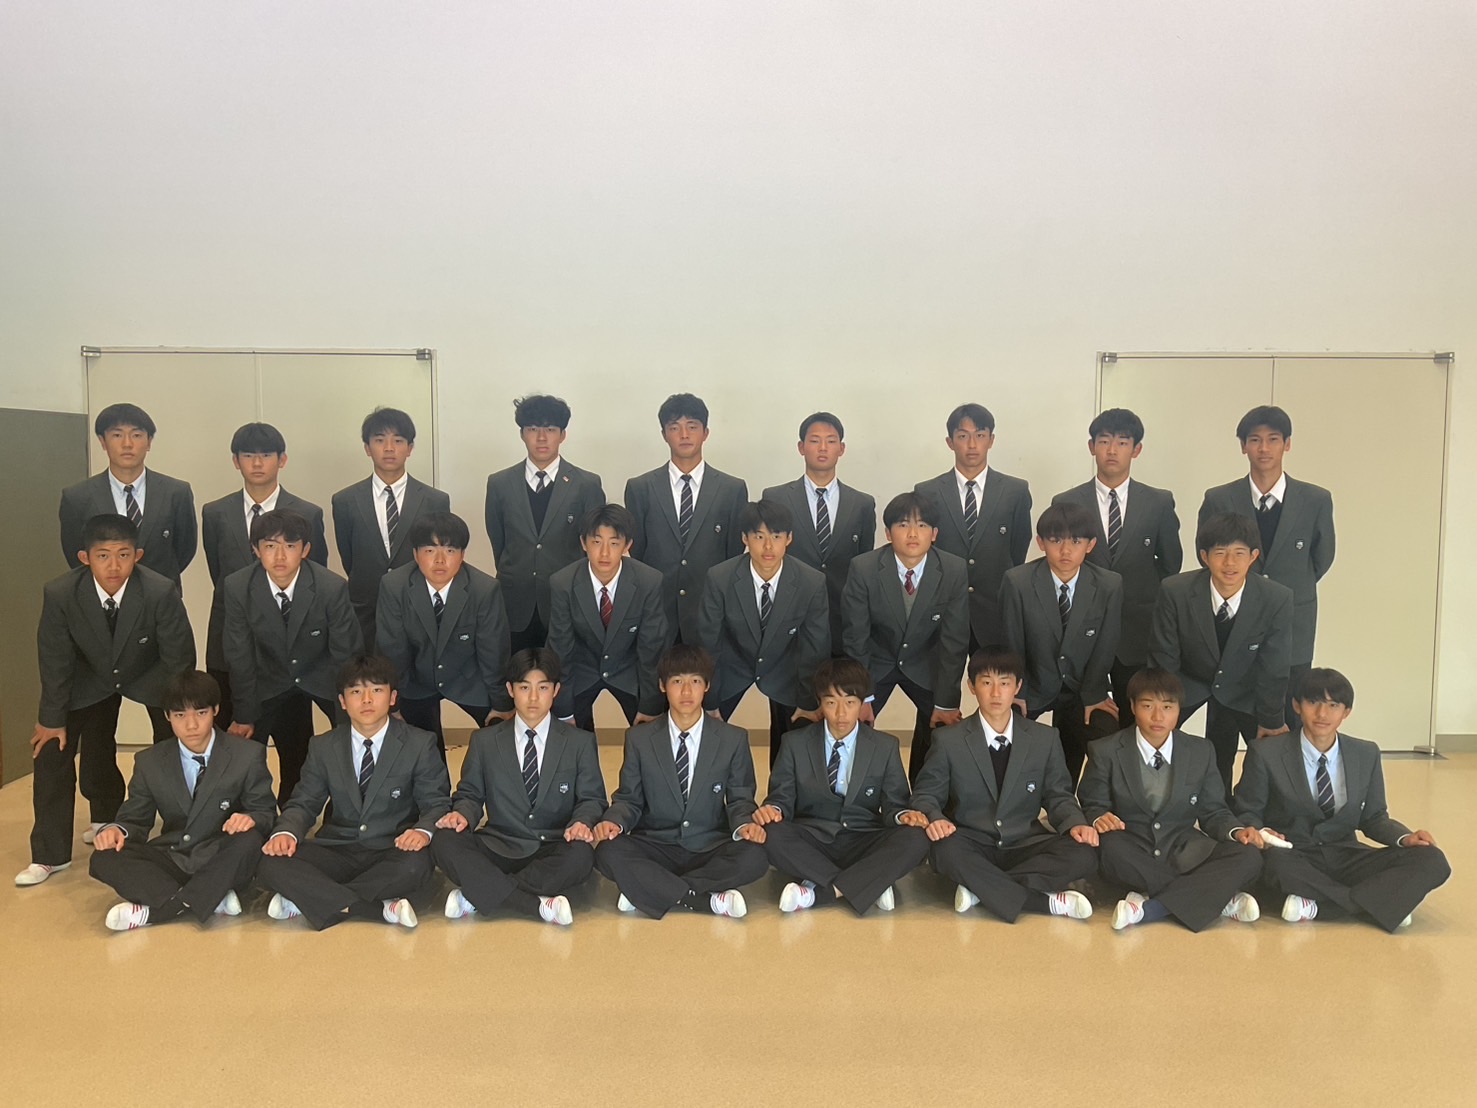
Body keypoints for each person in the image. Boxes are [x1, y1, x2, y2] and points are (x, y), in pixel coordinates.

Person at [17, 514, 195, 886]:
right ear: (85, 558)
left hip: (150, 673)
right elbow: (54, 659)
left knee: (179, 740)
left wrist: (182, 712)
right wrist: (51, 719)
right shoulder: (60, 593)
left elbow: (179, 658)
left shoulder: (160, 590)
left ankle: (184, 833)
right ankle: (51, 854)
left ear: (138, 556)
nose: (114, 566)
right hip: (88, 675)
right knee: (51, 748)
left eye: (123, 555)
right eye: (103, 556)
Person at [1234, 668, 1450, 932]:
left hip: (1346, 854)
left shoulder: (1365, 753)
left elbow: (1374, 818)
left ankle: (1319, 905)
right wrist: (1264, 832)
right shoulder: (1266, 752)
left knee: (1432, 860)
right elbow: (1247, 812)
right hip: (1292, 853)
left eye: (1333, 705)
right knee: (1273, 867)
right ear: (1297, 706)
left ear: (1346, 712)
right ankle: (1383, 904)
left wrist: (1405, 838)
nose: (1322, 714)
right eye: (1313, 702)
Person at [902, 647, 1100, 922]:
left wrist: (1075, 823)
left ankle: (980, 889)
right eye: (986, 683)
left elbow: (1059, 796)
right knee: (942, 849)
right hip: (971, 840)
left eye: (1005, 683)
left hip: (1024, 842)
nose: (996, 693)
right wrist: (935, 817)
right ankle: (1044, 902)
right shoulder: (948, 740)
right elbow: (925, 795)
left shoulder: (1044, 738)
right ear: (972, 687)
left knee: (1084, 853)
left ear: (1017, 687)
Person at [256, 655, 451, 930]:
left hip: (392, 847)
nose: (367, 700)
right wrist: (285, 832)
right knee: (270, 862)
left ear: (393, 697)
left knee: (416, 867)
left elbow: (437, 803)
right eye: (356, 692)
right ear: (343, 701)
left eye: (377, 690)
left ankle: (311, 898)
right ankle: (377, 908)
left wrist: (421, 831)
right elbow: (304, 802)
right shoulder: (323, 746)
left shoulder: (419, 743)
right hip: (337, 847)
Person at [1078, 668, 1264, 932]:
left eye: (1167, 707)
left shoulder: (1200, 750)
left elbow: (1214, 812)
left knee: (1248, 856)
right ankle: (1216, 898)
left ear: (1179, 709)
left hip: (1183, 846)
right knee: (1106, 848)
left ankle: (1152, 907)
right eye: (1147, 706)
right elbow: (1091, 803)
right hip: (1130, 844)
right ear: (1132, 706)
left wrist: (1236, 831)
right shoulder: (1106, 750)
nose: (1158, 716)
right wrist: (1099, 818)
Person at [88, 671, 277, 930]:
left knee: (250, 842)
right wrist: (116, 830)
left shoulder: (247, 754)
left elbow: (266, 811)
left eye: (201, 713)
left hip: (221, 853)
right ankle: (208, 897)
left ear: (216, 710)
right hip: (174, 854)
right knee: (104, 857)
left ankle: (163, 908)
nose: (191, 725)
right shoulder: (150, 761)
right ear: (167, 716)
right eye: (180, 715)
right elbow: (135, 819)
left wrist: (250, 818)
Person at [592, 644, 768, 918]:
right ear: (663, 686)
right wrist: (614, 821)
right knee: (607, 851)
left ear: (706, 686)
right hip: (656, 844)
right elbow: (629, 798)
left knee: (755, 856)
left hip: (709, 843)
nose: (687, 692)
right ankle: (704, 900)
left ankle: (648, 890)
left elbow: (740, 799)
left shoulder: (733, 738)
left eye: (695, 682)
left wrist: (746, 825)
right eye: (677, 682)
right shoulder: (639, 738)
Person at [433, 649, 607, 926]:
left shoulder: (579, 742)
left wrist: (581, 822)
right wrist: (462, 814)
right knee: (444, 840)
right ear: (510, 690)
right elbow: (470, 794)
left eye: (543, 688)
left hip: (553, 844)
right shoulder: (485, 741)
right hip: (499, 843)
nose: (533, 697)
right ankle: (534, 905)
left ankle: (478, 894)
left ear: (556, 691)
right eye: (525, 688)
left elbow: (592, 799)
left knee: (582, 856)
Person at [753, 657, 929, 915]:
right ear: (820, 702)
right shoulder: (794, 743)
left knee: (917, 838)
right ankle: (870, 883)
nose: (841, 713)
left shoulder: (885, 746)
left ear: (862, 703)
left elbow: (895, 803)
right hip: (813, 837)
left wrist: (904, 815)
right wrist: (773, 810)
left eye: (850, 702)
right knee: (769, 832)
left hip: (863, 837)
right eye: (831, 703)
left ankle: (822, 891)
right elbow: (781, 798)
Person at [1198, 406, 1335, 729]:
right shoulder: (1219, 498)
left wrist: (1283, 589)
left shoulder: (1315, 499)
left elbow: (1321, 558)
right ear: (1243, 446)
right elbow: (1207, 553)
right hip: (1233, 620)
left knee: (1288, 719)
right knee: (1224, 723)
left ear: (1287, 444)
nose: (1264, 448)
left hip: (1293, 619)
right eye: (1255, 439)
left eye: (1273, 439)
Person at [223, 509, 362, 804]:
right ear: (255, 549)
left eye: (290, 546)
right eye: (270, 546)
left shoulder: (331, 587)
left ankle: (342, 808)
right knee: (244, 741)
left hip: (323, 674)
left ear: (305, 550)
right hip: (269, 675)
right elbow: (239, 655)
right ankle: (255, 810)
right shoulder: (237, 586)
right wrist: (244, 714)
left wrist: (349, 714)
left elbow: (346, 655)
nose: (280, 556)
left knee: (353, 732)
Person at [1148, 512, 1293, 791]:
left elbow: (1274, 667)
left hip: (1244, 687)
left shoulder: (1276, 598)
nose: (1230, 563)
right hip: (1188, 681)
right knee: (1150, 730)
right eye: (1220, 553)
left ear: (1253, 556)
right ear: (1204, 556)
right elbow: (1164, 658)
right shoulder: (1175, 590)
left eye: (1239, 553)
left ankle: (1242, 804)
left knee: (1274, 752)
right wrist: (1163, 710)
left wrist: (1272, 719)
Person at [1051, 408, 1182, 715]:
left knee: (1136, 718)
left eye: (1122, 442)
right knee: (1074, 720)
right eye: (1104, 441)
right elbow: (1059, 563)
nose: (1112, 450)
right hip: (1081, 626)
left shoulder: (1158, 502)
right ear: (1091, 446)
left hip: (1137, 630)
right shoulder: (1066, 502)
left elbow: (1170, 564)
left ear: (1136, 449)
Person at [200, 422, 328, 726]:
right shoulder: (215, 512)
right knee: (232, 734)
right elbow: (218, 571)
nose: (257, 463)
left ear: (282, 460)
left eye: (266, 455)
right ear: (236, 461)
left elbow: (314, 574)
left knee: (293, 736)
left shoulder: (308, 513)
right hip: (231, 634)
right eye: (248, 455)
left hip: (289, 641)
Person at [840, 491, 969, 781]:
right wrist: (861, 696)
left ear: (934, 534)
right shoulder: (864, 568)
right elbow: (856, 637)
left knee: (943, 729)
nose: (912, 533)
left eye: (922, 525)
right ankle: (859, 791)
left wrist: (946, 702)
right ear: (888, 533)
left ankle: (925, 796)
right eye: (902, 525)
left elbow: (954, 641)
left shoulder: (953, 569)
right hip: (876, 662)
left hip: (925, 662)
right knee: (849, 720)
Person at [698, 499, 829, 767]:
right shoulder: (720, 578)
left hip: (786, 668)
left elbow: (814, 647)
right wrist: (709, 702)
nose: (768, 547)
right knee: (707, 736)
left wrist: (808, 700)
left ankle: (782, 792)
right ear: (744, 538)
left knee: (795, 743)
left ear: (789, 538)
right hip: (732, 664)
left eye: (776, 536)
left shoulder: (811, 582)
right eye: (759, 537)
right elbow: (709, 644)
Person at [1000, 501, 1123, 785]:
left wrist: (1093, 695)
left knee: (1105, 730)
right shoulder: (1017, 582)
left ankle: (1070, 800)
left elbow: (1105, 645)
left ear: (1090, 545)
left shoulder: (1109, 584)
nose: (1066, 551)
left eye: (1076, 541)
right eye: (1056, 541)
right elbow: (1012, 643)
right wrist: (1017, 690)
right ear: (1041, 543)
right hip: (1032, 683)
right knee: (1007, 734)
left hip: (1082, 687)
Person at [376, 511, 514, 760]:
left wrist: (501, 704)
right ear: (415, 554)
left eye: (450, 551)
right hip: (416, 680)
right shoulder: (394, 586)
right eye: (430, 550)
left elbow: (494, 652)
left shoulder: (484, 589)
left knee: (500, 740)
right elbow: (393, 651)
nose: (440, 560)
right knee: (422, 752)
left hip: (469, 676)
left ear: (462, 555)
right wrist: (393, 705)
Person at [483, 394, 606, 653]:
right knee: (516, 673)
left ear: (562, 435)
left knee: (564, 674)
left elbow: (594, 545)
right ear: (522, 434)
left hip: (567, 601)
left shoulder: (586, 484)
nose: (541, 438)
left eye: (550, 430)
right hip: (515, 601)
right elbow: (499, 542)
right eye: (533, 429)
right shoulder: (500, 483)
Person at [623, 393, 747, 644]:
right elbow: (636, 554)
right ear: (664, 434)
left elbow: (733, 556)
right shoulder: (641, 488)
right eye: (674, 427)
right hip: (656, 612)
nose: (684, 435)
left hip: (710, 612)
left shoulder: (731, 489)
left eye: (692, 426)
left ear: (705, 433)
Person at [914, 403, 1032, 652]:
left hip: (995, 609)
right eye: (962, 436)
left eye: (980, 435)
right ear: (950, 442)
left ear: (991, 440)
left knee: (994, 676)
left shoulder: (1015, 491)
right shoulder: (927, 492)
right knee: (942, 676)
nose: (971, 445)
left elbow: (1018, 547)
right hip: (942, 608)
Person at [331, 407, 451, 649]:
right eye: (379, 440)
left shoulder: (435, 500)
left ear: (410, 448)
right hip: (365, 608)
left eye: (398, 440)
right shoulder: (345, 501)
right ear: (367, 448)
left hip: (419, 605)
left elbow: (440, 553)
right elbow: (348, 557)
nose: (389, 448)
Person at [546, 504, 670, 731]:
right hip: (582, 670)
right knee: (570, 735)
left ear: (627, 545)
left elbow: (651, 650)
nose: (604, 553)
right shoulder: (562, 583)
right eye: (596, 542)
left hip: (629, 670)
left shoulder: (648, 581)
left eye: (614, 543)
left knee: (650, 734)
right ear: (583, 543)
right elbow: (561, 650)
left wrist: (651, 707)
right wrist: (564, 712)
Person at [761, 412, 876, 652]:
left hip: (843, 615)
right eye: (814, 440)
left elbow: (863, 562)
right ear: (801, 447)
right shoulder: (776, 498)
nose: (823, 448)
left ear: (841, 449)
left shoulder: (862, 504)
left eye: (831, 441)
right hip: (789, 613)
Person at [59, 402, 197, 588]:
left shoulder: (176, 492)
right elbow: (75, 554)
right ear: (102, 441)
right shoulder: (77, 497)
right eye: (117, 435)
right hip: (104, 597)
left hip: (162, 597)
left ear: (149, 442)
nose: (127, 444)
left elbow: (185, 550)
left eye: (136, 435)